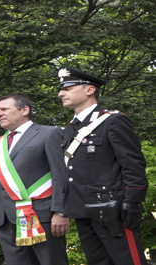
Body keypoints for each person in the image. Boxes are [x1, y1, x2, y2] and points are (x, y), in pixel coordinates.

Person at [57, 66, 148, 265]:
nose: (60, 93)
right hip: (82, 209)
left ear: (89, 90)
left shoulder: (112, 121)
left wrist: (132, 201)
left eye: (68, 88)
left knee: (128, 261)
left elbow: (133, 163)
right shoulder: (70, 128)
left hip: (112, 208)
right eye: (61, 89)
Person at [0, 94, 69, 265]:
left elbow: (61, 175)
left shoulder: (50, 133)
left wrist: (60, 212)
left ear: (24, 110)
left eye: (4, 109)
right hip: (5, 219)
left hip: (42, 215)